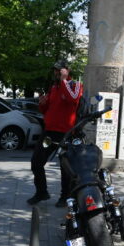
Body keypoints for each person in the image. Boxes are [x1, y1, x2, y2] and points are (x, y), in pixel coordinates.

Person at [28, 60, 83, 207]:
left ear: (67, 70)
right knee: (36, 162)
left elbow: (73, 98)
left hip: (66, 134)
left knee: (65, 167)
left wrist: (64, 80)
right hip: (49, 132)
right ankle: (42, 192)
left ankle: (65, 197)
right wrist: (42, 103)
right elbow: (47, 111)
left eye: (60, 70)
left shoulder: (74, 85)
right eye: (55, 70)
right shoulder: (54, 88)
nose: (56, 73)